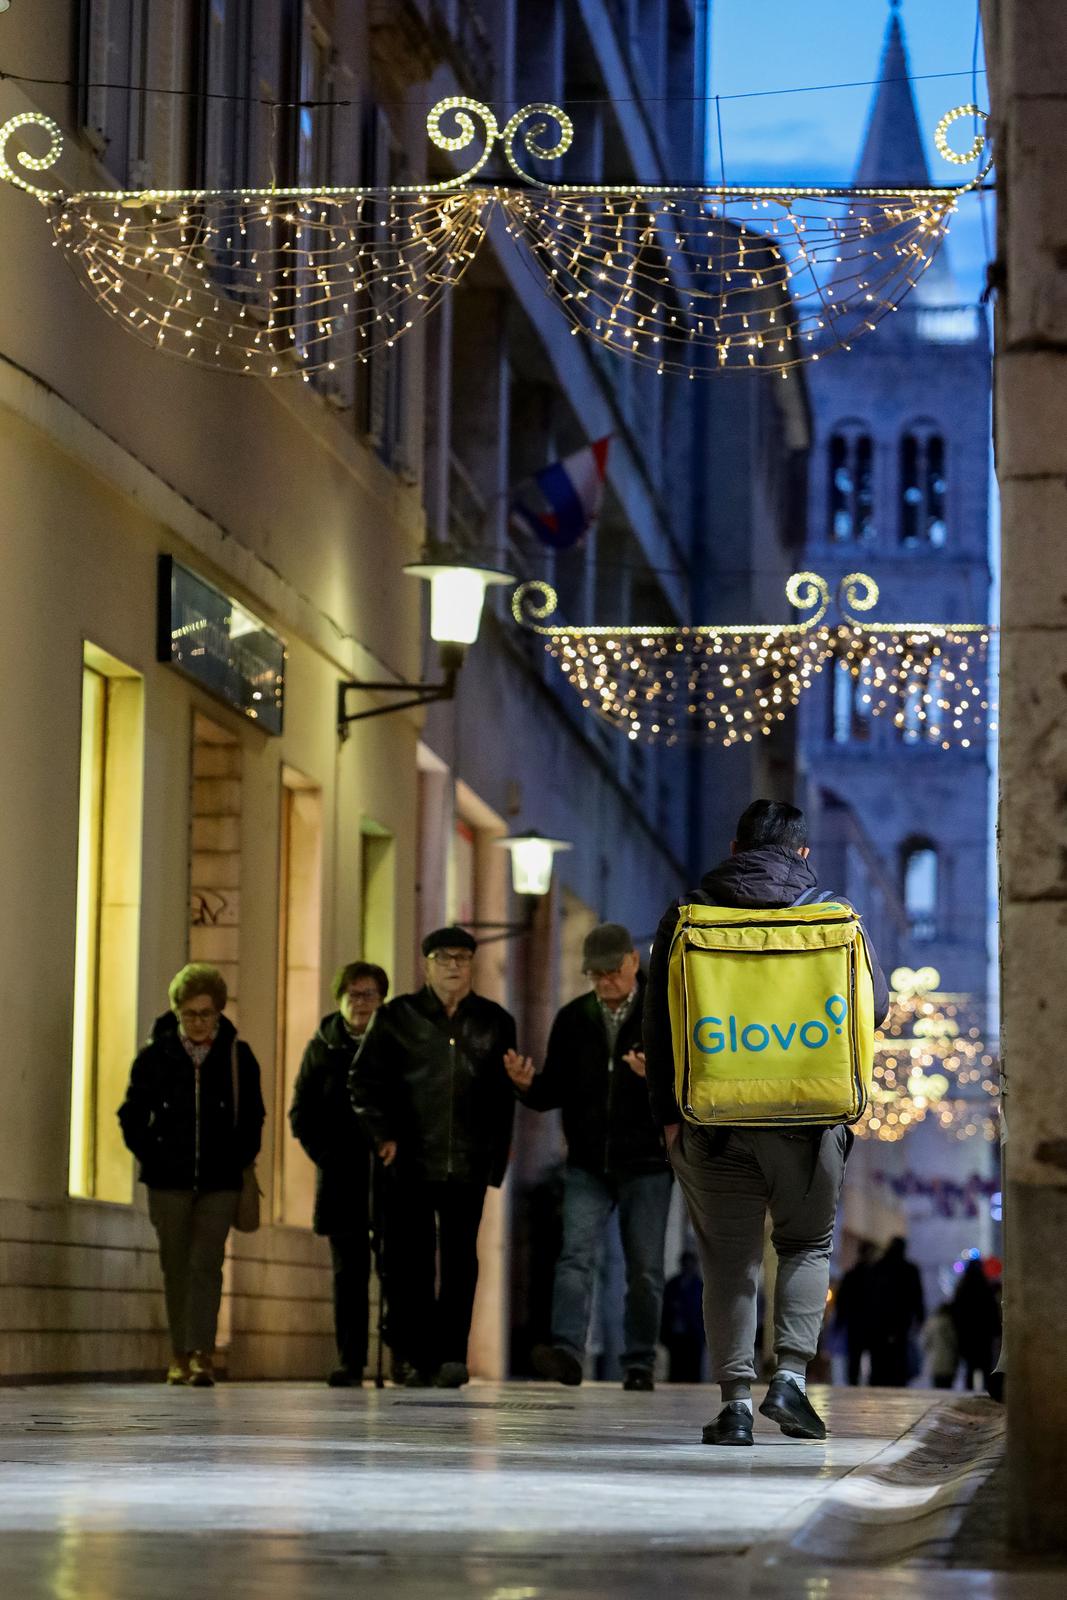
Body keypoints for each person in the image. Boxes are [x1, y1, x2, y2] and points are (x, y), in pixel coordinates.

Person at [644, 800, 890, 1446]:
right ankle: (789, 1378)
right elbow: (876, 1007)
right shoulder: (834, 915)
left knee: (728, 1262)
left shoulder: (687, 914)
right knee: (804, 1246)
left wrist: (667, 1118)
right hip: (809, 1120)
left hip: (713, 1117)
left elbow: (659, 1024)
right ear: (802, 853)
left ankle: (733, 1406)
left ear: (734, 847)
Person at [350, 927, 522, 1388]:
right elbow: (363, 1082)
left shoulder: (494, 1021)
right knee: (410, 1261)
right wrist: (383, 1136)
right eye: (444, 957)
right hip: (410, 1160)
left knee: (463, 1260)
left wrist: (497, 1154)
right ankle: (411, 1355)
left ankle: (450, 1356)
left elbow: (504, 1096)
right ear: (426, 964)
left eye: (463, 958)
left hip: (468, 1160)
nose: (453, 966)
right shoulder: (397, 1018)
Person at [506, 923, 672, 1392]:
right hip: (586, 1162)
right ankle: (567, 1352)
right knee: (575, 1257)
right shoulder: (573, 1017)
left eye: (611, 972)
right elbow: (553, 1089)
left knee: (644, 1267)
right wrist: (526, 1085)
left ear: (633, 963)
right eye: (595, 974)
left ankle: (638, 1360)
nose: (604, 982)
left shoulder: (661, 1015)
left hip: (647, 1163)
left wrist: (653, 1078)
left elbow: (687, 1089)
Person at [118, 963, 264, 1387]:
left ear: (219, 1012)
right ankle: (178, 1353)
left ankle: (202, 1352)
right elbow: (131, 1114)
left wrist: (239, 1154)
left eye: (206, 1014)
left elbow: (253, 1115)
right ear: (177, 1012)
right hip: (169, 1181)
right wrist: (153, 1152)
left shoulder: (238, 1056)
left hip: (220, 1181)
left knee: (207, 1263)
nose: (199, 1023)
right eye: (190, 1014)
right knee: (175, 1266)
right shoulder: (155, 1056)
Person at [289, 961, 389, 1387]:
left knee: (397, 1271)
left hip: (389, 1173)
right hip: (342, 1176)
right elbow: (301, 1112)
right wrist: (328, 1154)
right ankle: (351, 1359)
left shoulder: (395, 1044)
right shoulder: (323, 1047)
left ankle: (400, 1357)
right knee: (348, 1273)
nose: (360, 1003)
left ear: (382, 1000)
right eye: (351, 995)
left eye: (368, 995)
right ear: (339, 1000)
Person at [868, 1236, 926, 1387]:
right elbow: (917, 1297)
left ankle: (878, 1383)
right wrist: (920, 1318)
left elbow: (869, 1297)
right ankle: (898, 1382)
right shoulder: (910, 1270)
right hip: (901, 1321)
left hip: (879, 1322)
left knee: (879, 1357)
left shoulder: (877, 1268)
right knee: (899, 1356)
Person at [951, 1259, 1002, 1394]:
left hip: (967, 1335)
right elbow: (992, 1311)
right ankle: (986, 1393)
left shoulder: (962, 1288)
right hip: (984, 1336)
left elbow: (956, 1313)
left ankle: (969, 1393)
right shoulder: (986, 1287)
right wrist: (996, 1330)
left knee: (970, 1368)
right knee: (986, 1368)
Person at [834, 1240, 879, 1385]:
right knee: (873, 1355)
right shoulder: (876, 1276)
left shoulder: (851, 1275)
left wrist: (840, 1321)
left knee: (854, 1356)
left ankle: (853, 1382)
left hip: (855, 1323)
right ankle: (870, 1382)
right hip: (872, 1323)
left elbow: (842, 1301)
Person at [661, 1249, 706, 1382]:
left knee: (693, 1369)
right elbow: (665, 1310)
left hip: (693, 1335)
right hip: (676, 1334)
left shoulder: (700, 1286)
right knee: (676, 1368)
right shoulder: (672, 1284)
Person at [922, 1301, 960, 1389]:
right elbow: (954, 1341)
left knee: (937, 1387)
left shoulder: (931, 1323)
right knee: (947, 1387)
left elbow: (924, 1342)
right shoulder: (950, 1323)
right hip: (949, 1360)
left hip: (934, 1360)